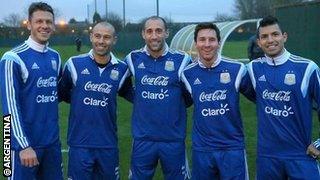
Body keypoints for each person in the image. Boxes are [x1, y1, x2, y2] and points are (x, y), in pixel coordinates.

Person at [247, 15, 320, 179]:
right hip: (267, 156)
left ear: (284, 36)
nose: (270, 40)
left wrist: (319, 144)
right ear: (258, 42)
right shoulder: (253, 68)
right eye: (264, 36)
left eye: (275, 34)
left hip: (301, 154)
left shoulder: (307, 67)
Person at [58, 22, 132, 179]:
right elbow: (61, 93)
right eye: (97, 36)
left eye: (107, 37)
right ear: (91, 37)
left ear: (114, 40)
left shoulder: (122, 69)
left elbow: (131, 94)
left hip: (108, 144)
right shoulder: (74, 64)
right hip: (79, 144)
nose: (101, 41)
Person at [181, 22, 254, 180]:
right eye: (202, 40)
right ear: (196, 43)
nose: (207, 44)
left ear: (218, 43)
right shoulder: (187, 74)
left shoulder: (237, 69)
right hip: (202, 149)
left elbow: (260, 98)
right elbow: (182, 103)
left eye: (211, 40)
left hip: (232, 148)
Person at [0, 2, 62, 180]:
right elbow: (9, 108)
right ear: (29, 24)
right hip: (21, 147)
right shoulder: (12, 58)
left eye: (49, 22)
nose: (44, 26)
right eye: (39, 21)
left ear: (54, 25)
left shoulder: (55, 57)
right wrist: (23, 145)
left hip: (51, 145)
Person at [125, 16, 191, 180]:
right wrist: (140, 98)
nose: (154, 36)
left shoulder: (182, 60)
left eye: (159, 31)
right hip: (143, 140)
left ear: (166, 33)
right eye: (149, 31)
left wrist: (173, 101)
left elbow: (191, 95)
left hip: (173, 139)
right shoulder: (132, 58)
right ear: (143, 34)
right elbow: (120, 86)